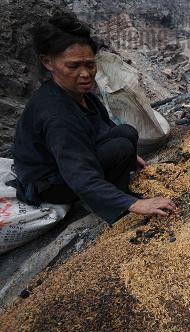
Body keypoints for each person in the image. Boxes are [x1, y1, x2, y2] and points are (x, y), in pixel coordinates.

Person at [13, 13, 176, 223]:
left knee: (126, 133)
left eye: (90, 65)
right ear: (48, 62)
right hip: (50, 182)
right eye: (73, 66)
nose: (85, 74)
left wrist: (131, 158)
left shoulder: (79, 95)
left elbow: (105, 126)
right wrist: (133, 204)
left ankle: (114, 188)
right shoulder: (56, 115)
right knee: (120, 148)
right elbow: (79, 175)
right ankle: (106, 205)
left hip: (70, 159)